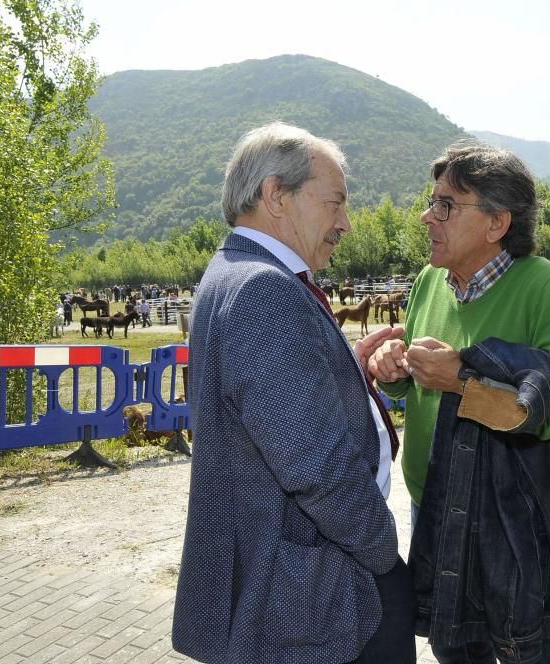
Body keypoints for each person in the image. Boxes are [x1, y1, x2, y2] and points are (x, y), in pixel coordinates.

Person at [172, 122, 414, 664]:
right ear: (276, 196)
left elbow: (265, 402)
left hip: (293, 577)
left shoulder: (235, 272)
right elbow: (315, 467)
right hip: (311, 594)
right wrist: (383, 551)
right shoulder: (264, 289)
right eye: (335, 204)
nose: (345, 224)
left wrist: (347, 367)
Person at [368, 141, 550, 664]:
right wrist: (393, 373)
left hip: (510, 511)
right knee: (452, 646)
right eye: (431, 201)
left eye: (446, 205)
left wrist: (464, 382)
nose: (427, 217)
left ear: (497, 222)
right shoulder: (429, 283)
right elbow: (415, 387)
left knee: (523, 646)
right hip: (430, 501)